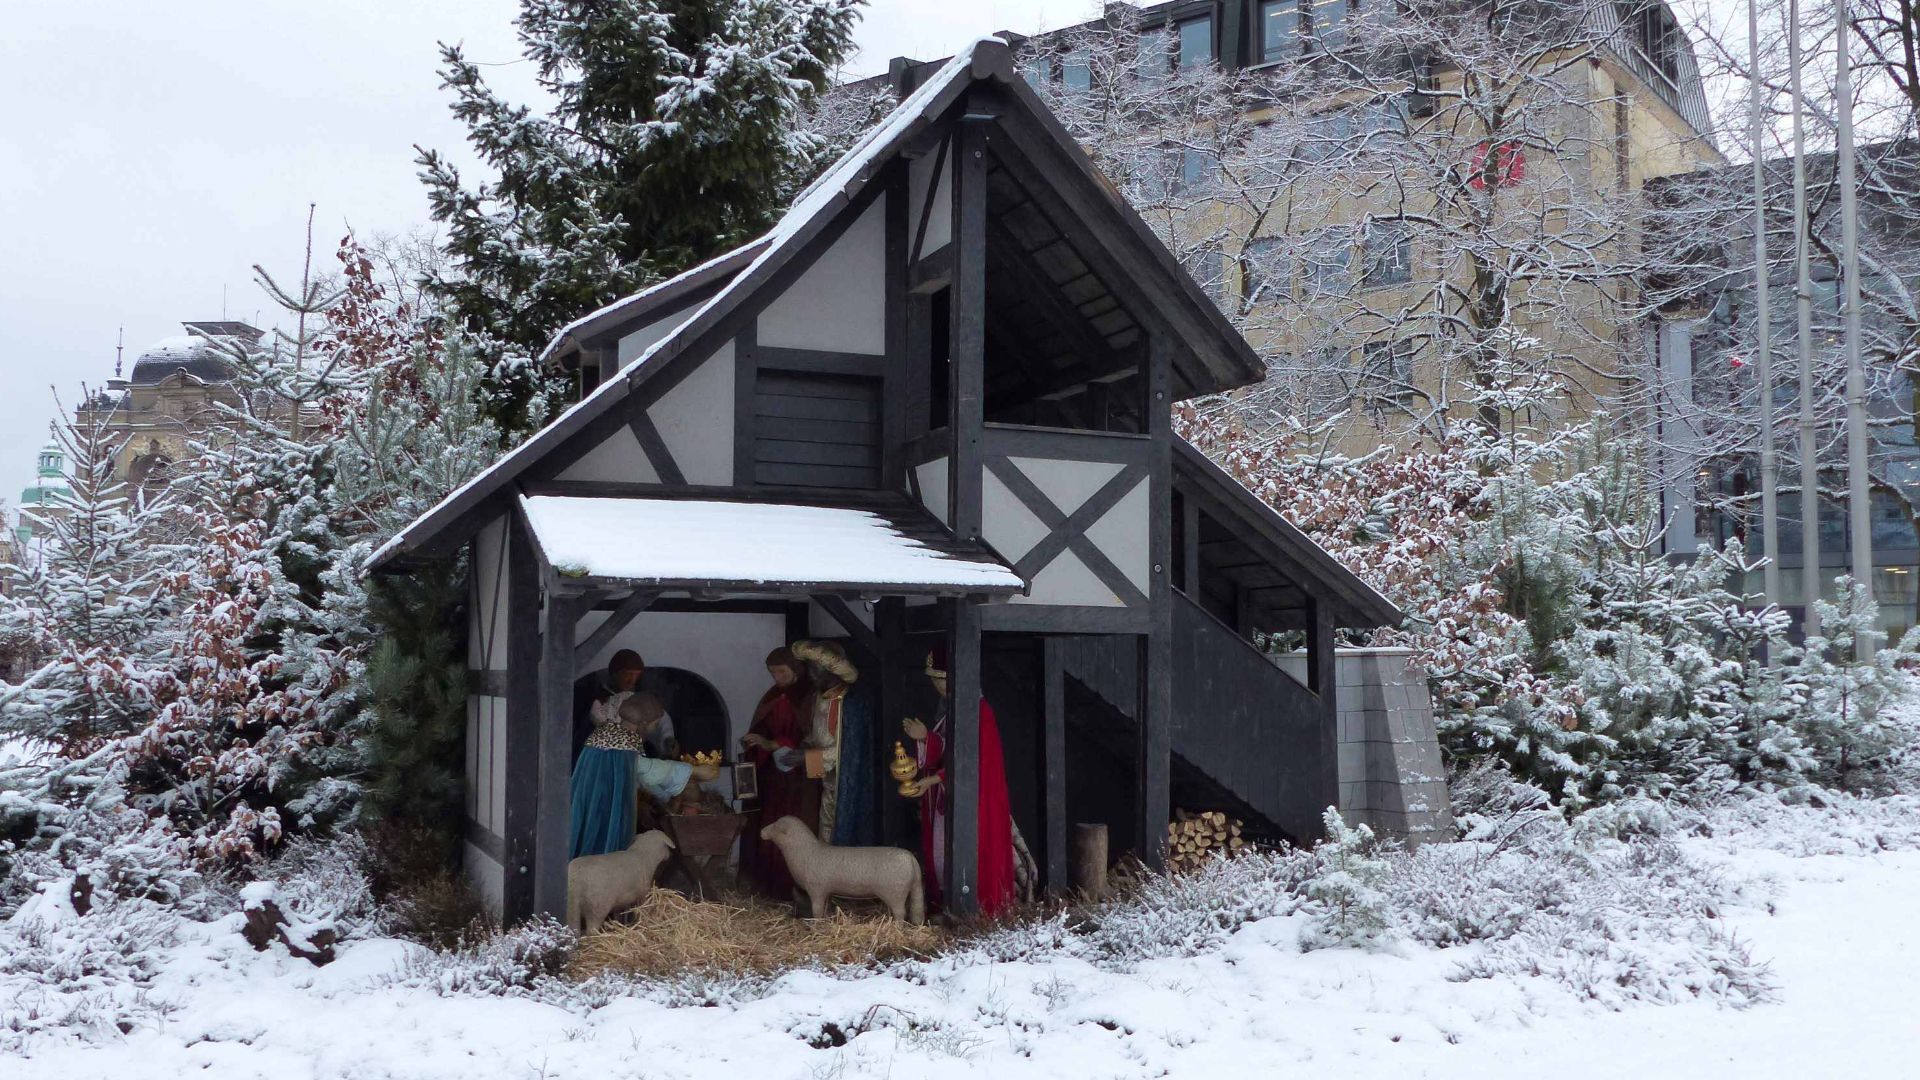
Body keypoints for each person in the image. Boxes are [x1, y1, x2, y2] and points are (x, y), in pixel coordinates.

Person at [904, 644, 1016, 916]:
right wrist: (925, 739)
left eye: (941, 681)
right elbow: (947, 748)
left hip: (973, 801)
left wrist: (931, 781)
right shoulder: (951, 708)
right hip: (948, 798)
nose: (938, 688)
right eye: (934, 682)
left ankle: (974, 910)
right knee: (943, 853)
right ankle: (947, 905)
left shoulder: (979, 713)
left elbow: (975, 762)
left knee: (971, 852)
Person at [570, 692, 713, 858]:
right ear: (643, 723)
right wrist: (693, 770)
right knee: (603, 842)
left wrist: (668, 794)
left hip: (590, 798)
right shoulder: (624, 741)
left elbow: (637, 776)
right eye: (654, 725)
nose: (654, 730)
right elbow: (644, 768)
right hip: (606, 801)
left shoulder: (606, 733)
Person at [738, 647, 814, 899]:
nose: (777, 678)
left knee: (794, 827)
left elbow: (813, 739)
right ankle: (766, 884)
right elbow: (763, 727)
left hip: (799, 780)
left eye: (782, 672)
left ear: (796, 669)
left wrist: (776, 744)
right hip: (772, 778)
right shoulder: (773, 695)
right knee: (768, 826)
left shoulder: (810, 697)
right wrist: (755, 743)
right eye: (773, 673)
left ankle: (791, 886)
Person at [791, 640, 877, 847]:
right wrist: (805, 747)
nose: (811, 675)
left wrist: (808, 758)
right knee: (824, 826)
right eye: (810, 669)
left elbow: (849, 749)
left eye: (816, 670)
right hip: (827, 780)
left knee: (839, 830)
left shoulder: (851, 704)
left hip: (847, 781)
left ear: (831, 672)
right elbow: (817, 734)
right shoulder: (818, 697)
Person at [574, 649, 676, 763]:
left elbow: (660, 718)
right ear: (614, 674)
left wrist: (667, 738)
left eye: (636, 676)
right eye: (627, 674)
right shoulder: (597, 702)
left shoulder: (635, 699)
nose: (632, 681)